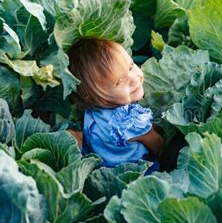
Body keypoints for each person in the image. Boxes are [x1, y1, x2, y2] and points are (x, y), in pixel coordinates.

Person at [66, 37, 164, 173]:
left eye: (130, 67)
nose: (133, 79)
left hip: (102, 167)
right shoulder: (131, 119)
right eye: (119, 82)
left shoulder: (91, 109)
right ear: (97, 96)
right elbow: (156, 144)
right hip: (138, 171)